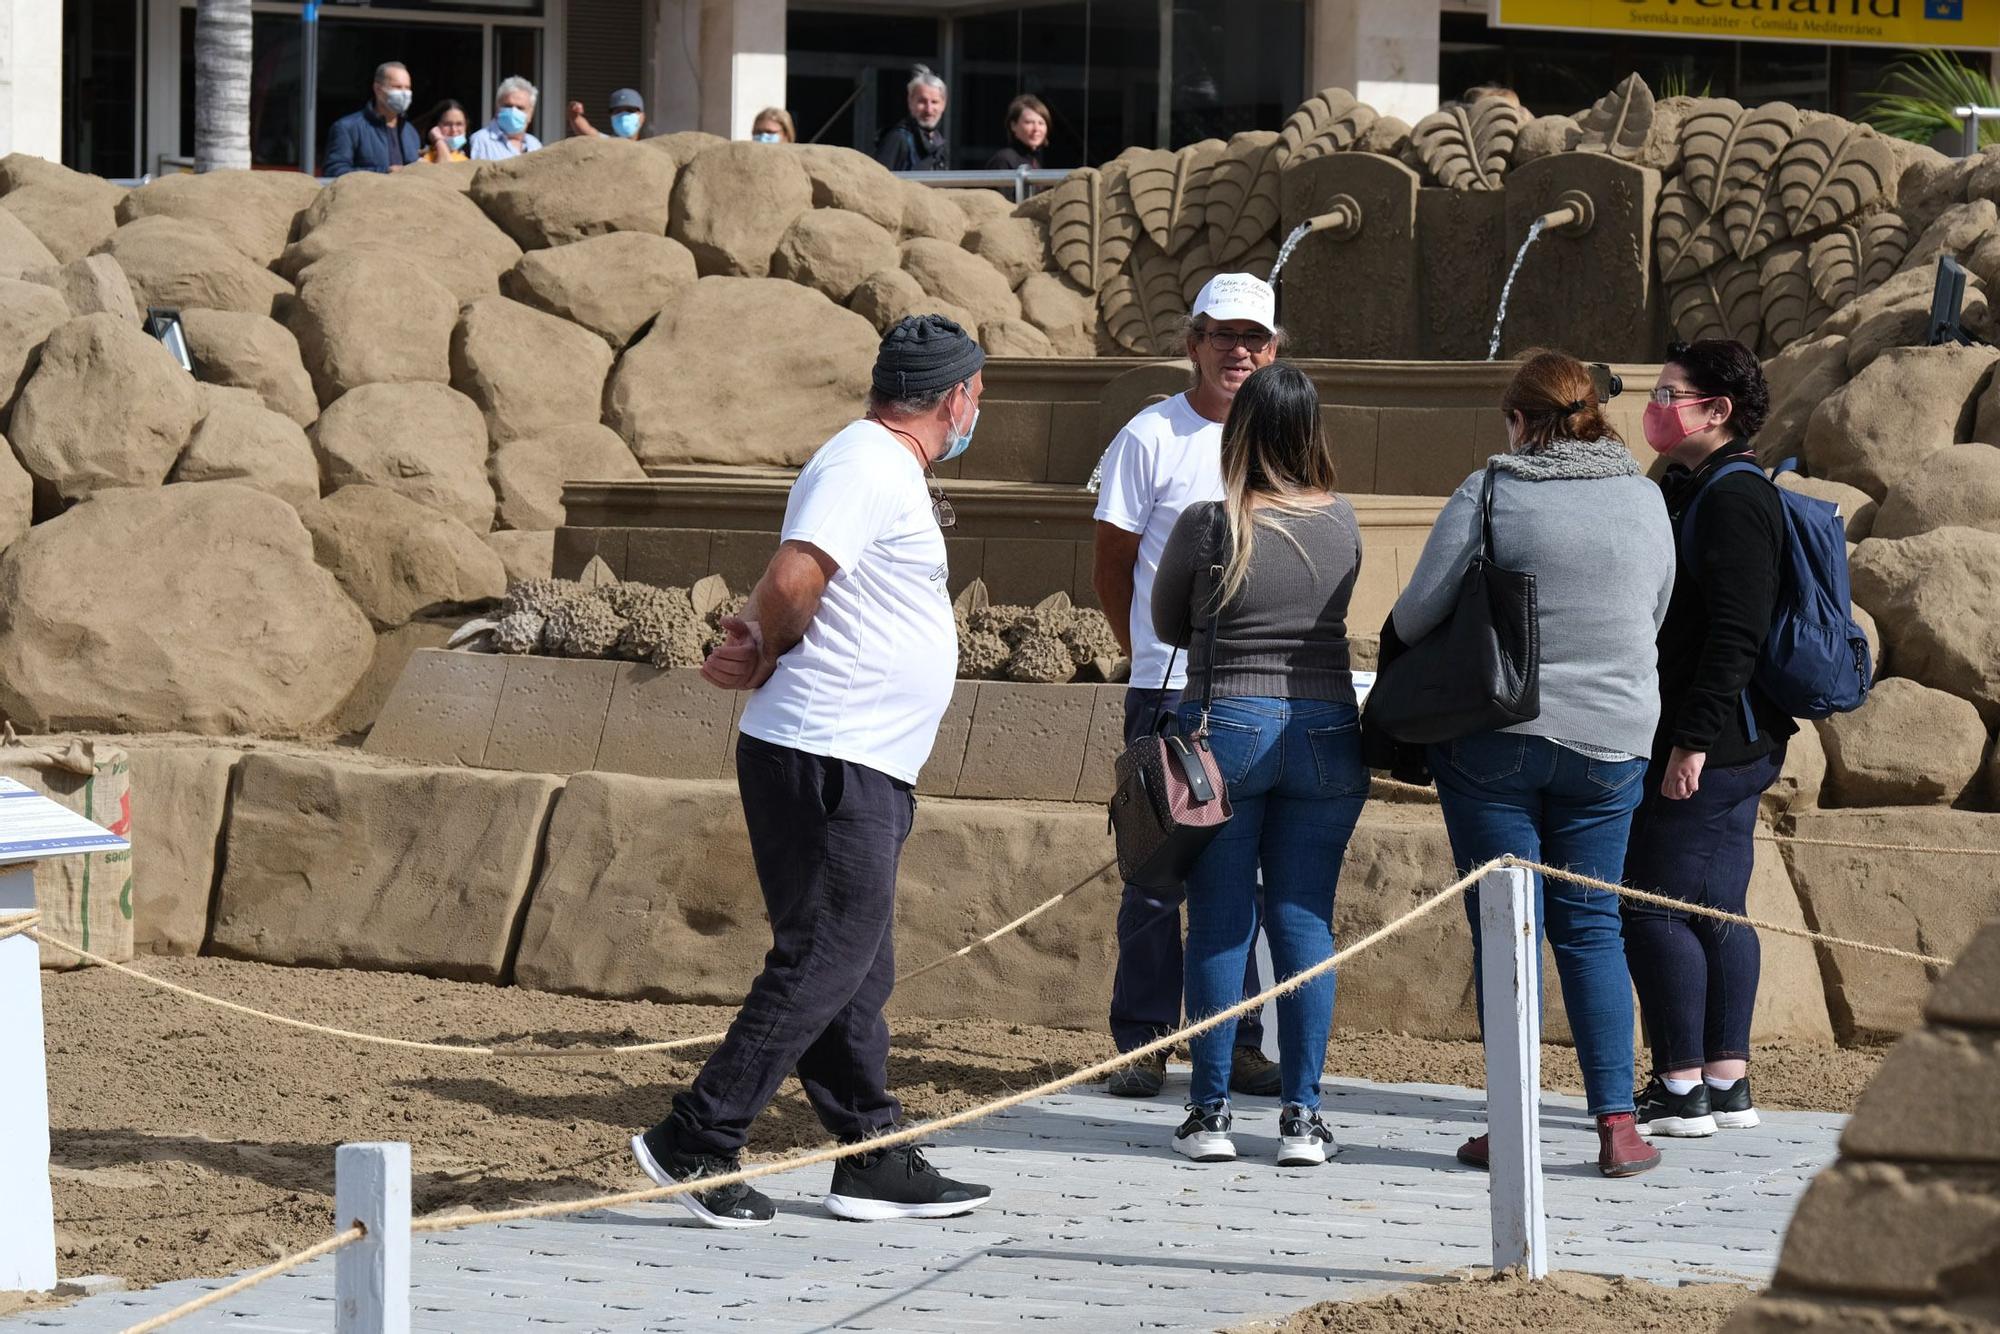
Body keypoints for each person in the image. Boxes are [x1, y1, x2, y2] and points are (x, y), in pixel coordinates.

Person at [630, 315, 993, 1230]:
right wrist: (763, 645)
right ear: (955, 397)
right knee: (826, 953)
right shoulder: (867, 463)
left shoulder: (876, 464)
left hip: (853, 754)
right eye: (978, 394)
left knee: (854, 962)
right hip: (832, 752)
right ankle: (697, 1137)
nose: (977, 408)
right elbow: (794, 577)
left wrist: (763, 642)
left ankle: (867, 1153)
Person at [1390, 350, 1675, 1179]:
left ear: (1519, 419)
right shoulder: (1646, 498)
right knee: (1591, 928)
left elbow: (1415, 612)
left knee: (1502, 929)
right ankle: (1618, 1127)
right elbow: (1655, 610)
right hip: (1613, 743)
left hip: (1497, 741)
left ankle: (1509, 1124)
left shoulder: (1492, 490)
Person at [1150, 362, 1366, 1167]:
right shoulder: (1342, 520)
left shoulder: (1214, 524)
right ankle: (1302, 1117)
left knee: (1219, 922)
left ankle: (1208, 1116)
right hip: (1326, 730)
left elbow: (1170, 622)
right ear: (1313, 432)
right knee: (1305, 920)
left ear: (1239, 434)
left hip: (1227, 732)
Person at [1091, 272, 1285, 1102]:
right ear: (1192, 342)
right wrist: (1141, 652)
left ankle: (1236, 1035)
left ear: (1274, 351)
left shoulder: (1279, 435)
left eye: (1255, 339)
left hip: (1250, 687)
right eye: (1223, 336)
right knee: (1154, 869)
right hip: (1168, 688)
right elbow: (1112, 562)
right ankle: (1142, 1039)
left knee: (1235, 870)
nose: (1239, 351)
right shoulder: (1150, 436)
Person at [1621, 340, 1793, 1140]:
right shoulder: (1693, 486)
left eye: (1669, 394)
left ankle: (1680, 1084)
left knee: (1654, 909)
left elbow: (1735, 633)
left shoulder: (1734, 498)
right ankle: (1725, 1082)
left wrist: (1689, 741)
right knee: (1715, 905)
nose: (1656, 406)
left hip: (1715, 738)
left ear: (1716, 410)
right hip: (1728, 736)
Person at [323, 62, 420, 177]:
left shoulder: (410, 131)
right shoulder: (347, 128)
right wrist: (385, 172)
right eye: (397, 87)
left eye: (407, 87)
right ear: (378, 89)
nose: (404, 93)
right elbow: (334, 171)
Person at [875, 66, 950, 171]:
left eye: (934, 102)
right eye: (922, 101)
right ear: (910, 102)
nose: (929, 109)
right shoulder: (898, 138)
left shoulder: (938, 142)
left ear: (943, 104)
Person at [469, 76, 542, 159]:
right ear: (497, 107)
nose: (513, 111)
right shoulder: (480, 141)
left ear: (530, 114)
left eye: (520, 108)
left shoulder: (535, 145)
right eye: (508, 106)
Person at [986, 94, 1049, 171]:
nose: (1036, 128)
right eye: (1029, 122)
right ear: (1013, 125)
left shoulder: (1035, 162)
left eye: (1041, 123)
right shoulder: (1003, 160)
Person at [566, 87, 652, 140]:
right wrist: (574, 113)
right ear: (611, 116)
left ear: (642, 117)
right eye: (618, 111)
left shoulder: (651, 150)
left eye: (630, 110)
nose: (623, 115)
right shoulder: (605, 143)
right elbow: (586, 131)